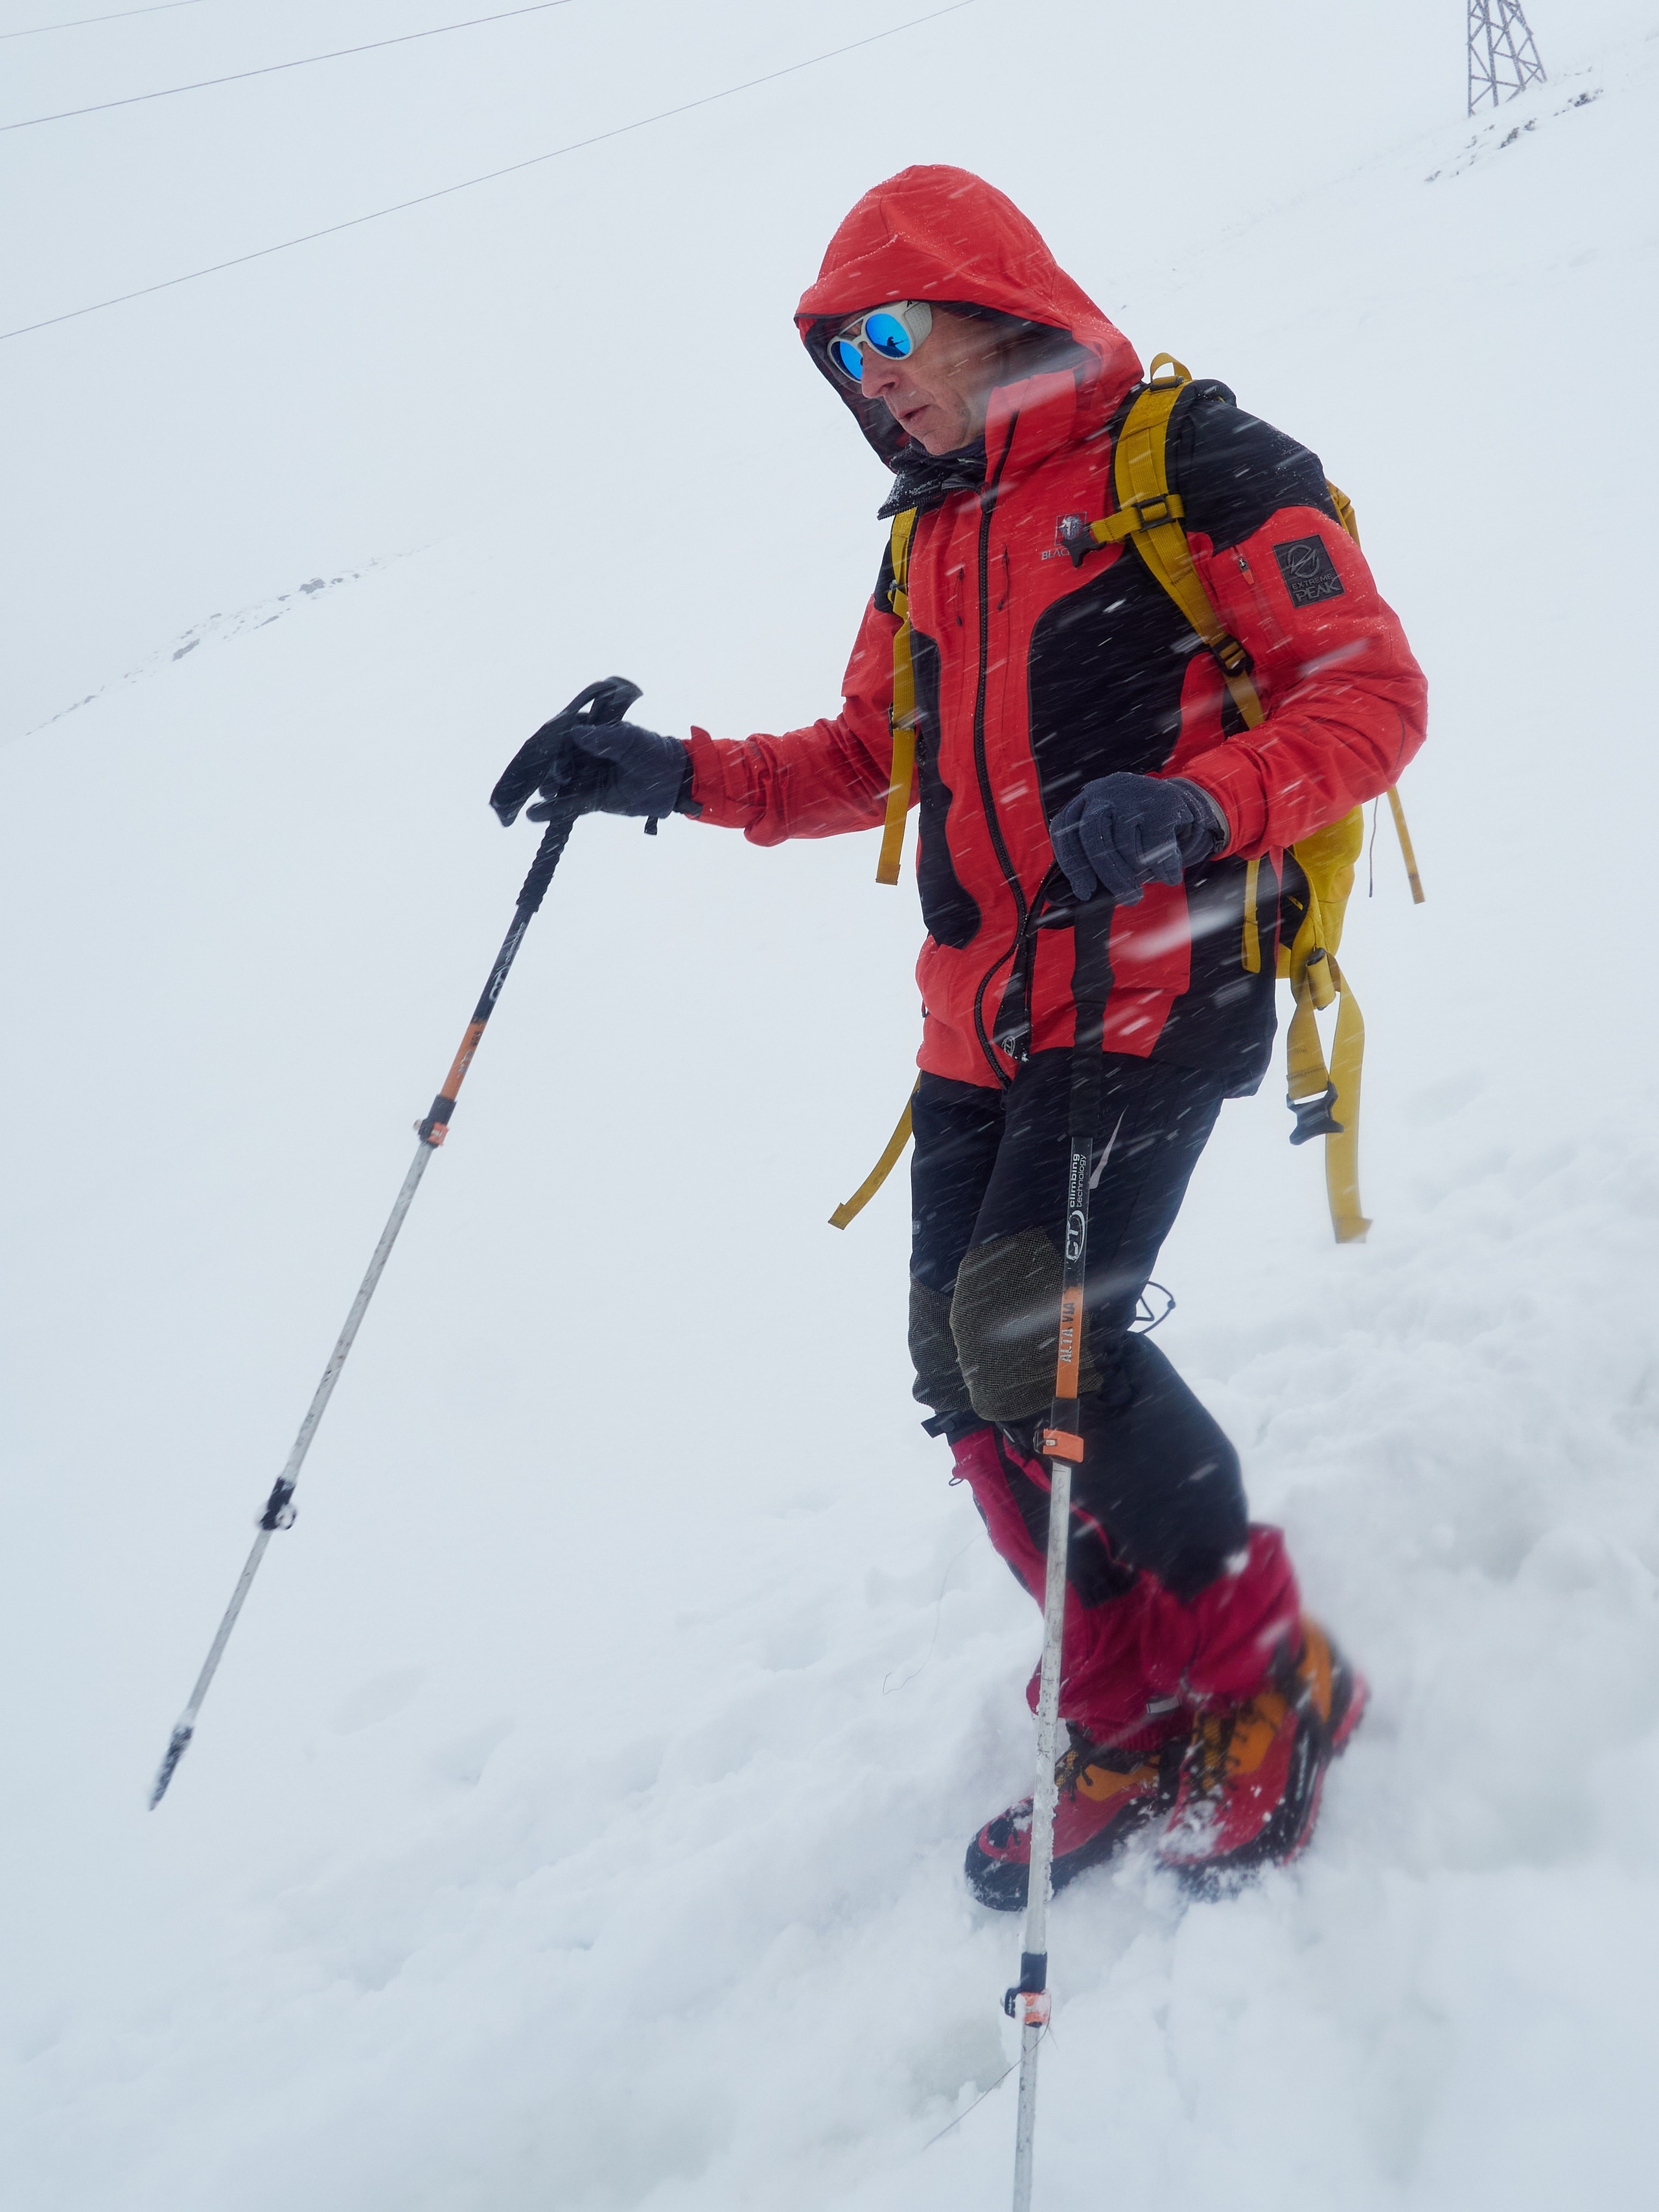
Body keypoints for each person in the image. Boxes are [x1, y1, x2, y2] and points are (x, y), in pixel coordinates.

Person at [504, 167, 1427, 1898]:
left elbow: (1373, 693)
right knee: (965, 1371)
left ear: (981, 297)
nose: (870, 380)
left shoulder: (1199, 467)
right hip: (985, 1019)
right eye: (839, 359)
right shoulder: (930, 537)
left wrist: (1201, 802)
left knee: (1041, 1341)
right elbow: (868, 758)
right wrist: (668, 777)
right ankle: (1125, 1696)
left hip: (1167, 978)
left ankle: (1268, 1678)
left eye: (882, 336)